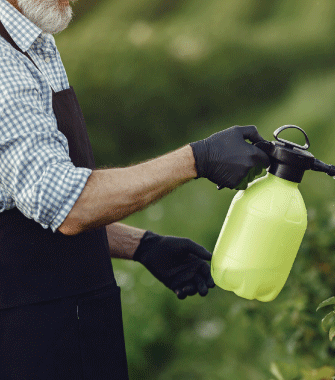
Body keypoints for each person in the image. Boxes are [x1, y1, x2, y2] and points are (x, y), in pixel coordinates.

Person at [0, 0, 271, 378]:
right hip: (29, 342)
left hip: (74, 324)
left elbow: (30, 207)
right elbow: (71, 203)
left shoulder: (34, 43)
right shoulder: (3, 65)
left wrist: (142, 245)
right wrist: (196, 159)